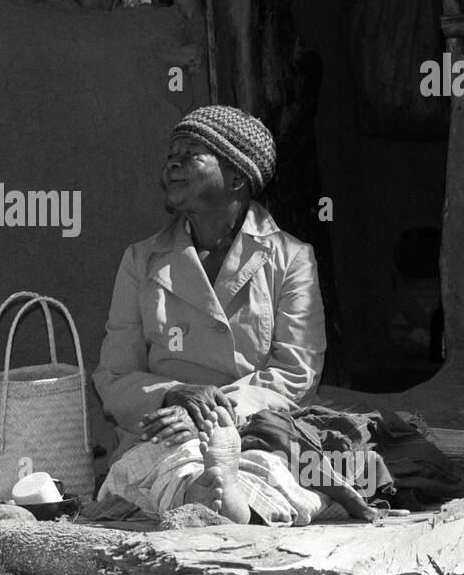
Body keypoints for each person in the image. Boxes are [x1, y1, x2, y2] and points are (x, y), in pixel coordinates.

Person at [93, 105, 379, 524]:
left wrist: (213, 414)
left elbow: (295, 372)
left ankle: (215, 490)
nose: (173, 162)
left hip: (255, 422)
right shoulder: (141, 260)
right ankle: (209, 490)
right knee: (160, 463)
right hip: (165, 427)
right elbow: (114, 374)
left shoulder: (292, 258)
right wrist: (173, 395)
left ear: (238, 178)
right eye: (171, 152)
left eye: (193, 154)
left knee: (274, 466)